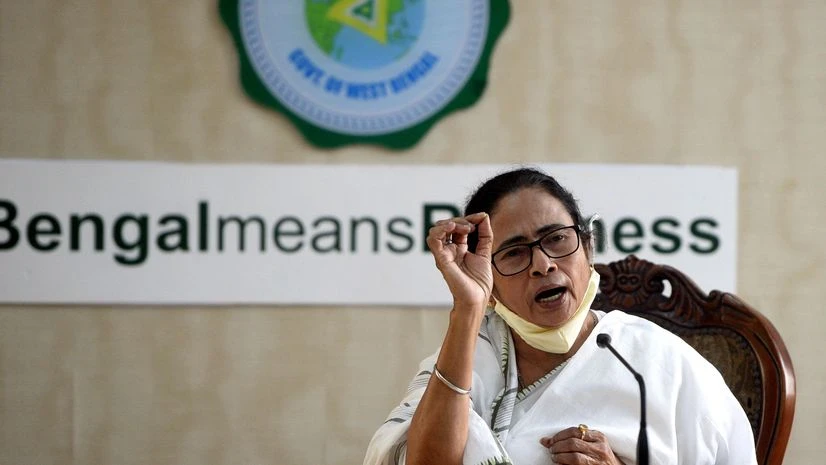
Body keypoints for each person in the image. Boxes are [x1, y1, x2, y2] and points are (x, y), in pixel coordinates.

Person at [363, 167, 757, 465]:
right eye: (514, 252)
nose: (543, 264)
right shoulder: (465, 360)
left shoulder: (658, 363)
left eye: (557, 239)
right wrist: (468, 309)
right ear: (490, 280)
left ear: (587, 246)